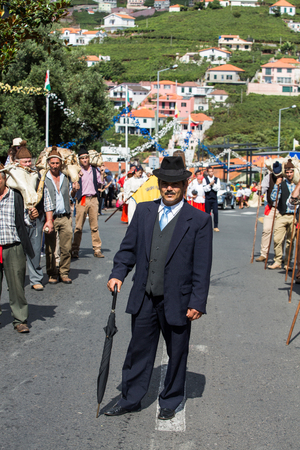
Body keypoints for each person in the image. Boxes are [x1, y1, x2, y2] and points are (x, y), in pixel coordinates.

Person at [105, 156, 212, 421]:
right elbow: (128, 249)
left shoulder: (198, 220)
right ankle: (130, 398)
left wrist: (197, 302)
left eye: (175, 183)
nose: (169, 188)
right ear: (159, 183)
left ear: (185, 185)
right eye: (165, 183)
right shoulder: (143, 211)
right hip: (144, 296)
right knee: (138, 350)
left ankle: (170, 400)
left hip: (178, 299)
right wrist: (118, 273)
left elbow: (202, 266)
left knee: (177, 353)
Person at [0, 163, 38, 333]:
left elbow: (27, 223)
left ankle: (20, 319)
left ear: (5, 179)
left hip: (13, 247)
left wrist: (32, 217)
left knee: (16, 286)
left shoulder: (17, 196)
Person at [15, 141, 54, 291]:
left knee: (35, 250)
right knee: (17, 253)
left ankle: (36, 278)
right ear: (17, 162)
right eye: (24, 161)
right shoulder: (12, 178)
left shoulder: (38, 177)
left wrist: (49, 220)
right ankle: (16, 281)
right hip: (18, 220)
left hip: (37, 219)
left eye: (29, 161)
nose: (27, 164)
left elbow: (48, 201)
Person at [44, 147, 73, 284]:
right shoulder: (44, 178)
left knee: (66, 247)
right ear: (48, 163)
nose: (55, 166)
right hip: (51, 218)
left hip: (65, 216)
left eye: (57, 163)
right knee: (50, 248)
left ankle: (64, 272)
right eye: (52, 163)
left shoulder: (66, 177)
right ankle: (52, 273)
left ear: (60, 163)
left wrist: (74, 191)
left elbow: (71, 196)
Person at [71, 146, 104, 259]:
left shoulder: (95, 170)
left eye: (86, 158)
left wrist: (102, 173)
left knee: (94, 226)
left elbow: (101, 183)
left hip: (93, 199)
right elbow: (73, 184)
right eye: (82, 158)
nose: (84, 160)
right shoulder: (77, 171)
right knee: (78, 227)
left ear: (89, 158)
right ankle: (75, 249)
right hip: (82, 199)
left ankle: (97, 249)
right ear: (79, 160)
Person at [268, 159, 296, 270]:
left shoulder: (298, 185)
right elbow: (274, 198)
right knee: (277, 239)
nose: (289, 174)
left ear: (294, 172)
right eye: (287, 172)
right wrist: (276, 185)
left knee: (290, 241)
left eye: (291, 172)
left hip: (293, 215)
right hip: (282, 215)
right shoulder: (282, 184)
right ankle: (277, 260)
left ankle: (287, 262)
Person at [256, 162, 281, 263]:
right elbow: (262, 190)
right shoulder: (268, 177)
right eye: (275, 173)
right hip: (271, 207)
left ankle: (279, 256)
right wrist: (259, 190)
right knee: (266, 230)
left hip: (282, 209)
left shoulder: (285, 177)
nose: (277, 175)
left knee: (280, 234)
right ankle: (263, 253)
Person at [202, 165, 220, 232]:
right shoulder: (205, 179)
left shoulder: (217, 179)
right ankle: (207, 226)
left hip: (214, 198)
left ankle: (216, 226)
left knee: (215, 212)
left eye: (212, 171)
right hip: (208, 198)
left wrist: (213, 184)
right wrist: (210, 184)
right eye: (209, 172)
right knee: (207, 213)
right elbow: (205, 189)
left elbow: (217, 188)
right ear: (207, 172)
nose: (211, 173)